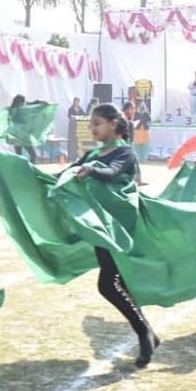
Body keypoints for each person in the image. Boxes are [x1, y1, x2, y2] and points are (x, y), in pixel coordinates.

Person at [70, 104, 160, 368]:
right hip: (102, 228)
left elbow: (111, 174)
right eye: (91, 124)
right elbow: (63, 175)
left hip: (120, 227)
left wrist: (91, 170)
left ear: (113, 124)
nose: (92, 128)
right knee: (116, 283)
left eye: (97, 123)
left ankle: (144, 333)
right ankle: (147, 334)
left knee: (109, 284)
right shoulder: (92, 154)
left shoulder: (124, 153)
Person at [67, 96, 87, 160]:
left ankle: (79, 155)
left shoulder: (80, 109)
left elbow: (84, 115)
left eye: (78, 102)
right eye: (75, 101)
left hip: (79, 126)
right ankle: (72, 155)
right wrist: (74, 117)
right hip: (73, 127)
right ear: (73, 102)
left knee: (79, 141)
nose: (76, 103)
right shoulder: (70, 109)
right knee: (72, 141)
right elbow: (69, 116)